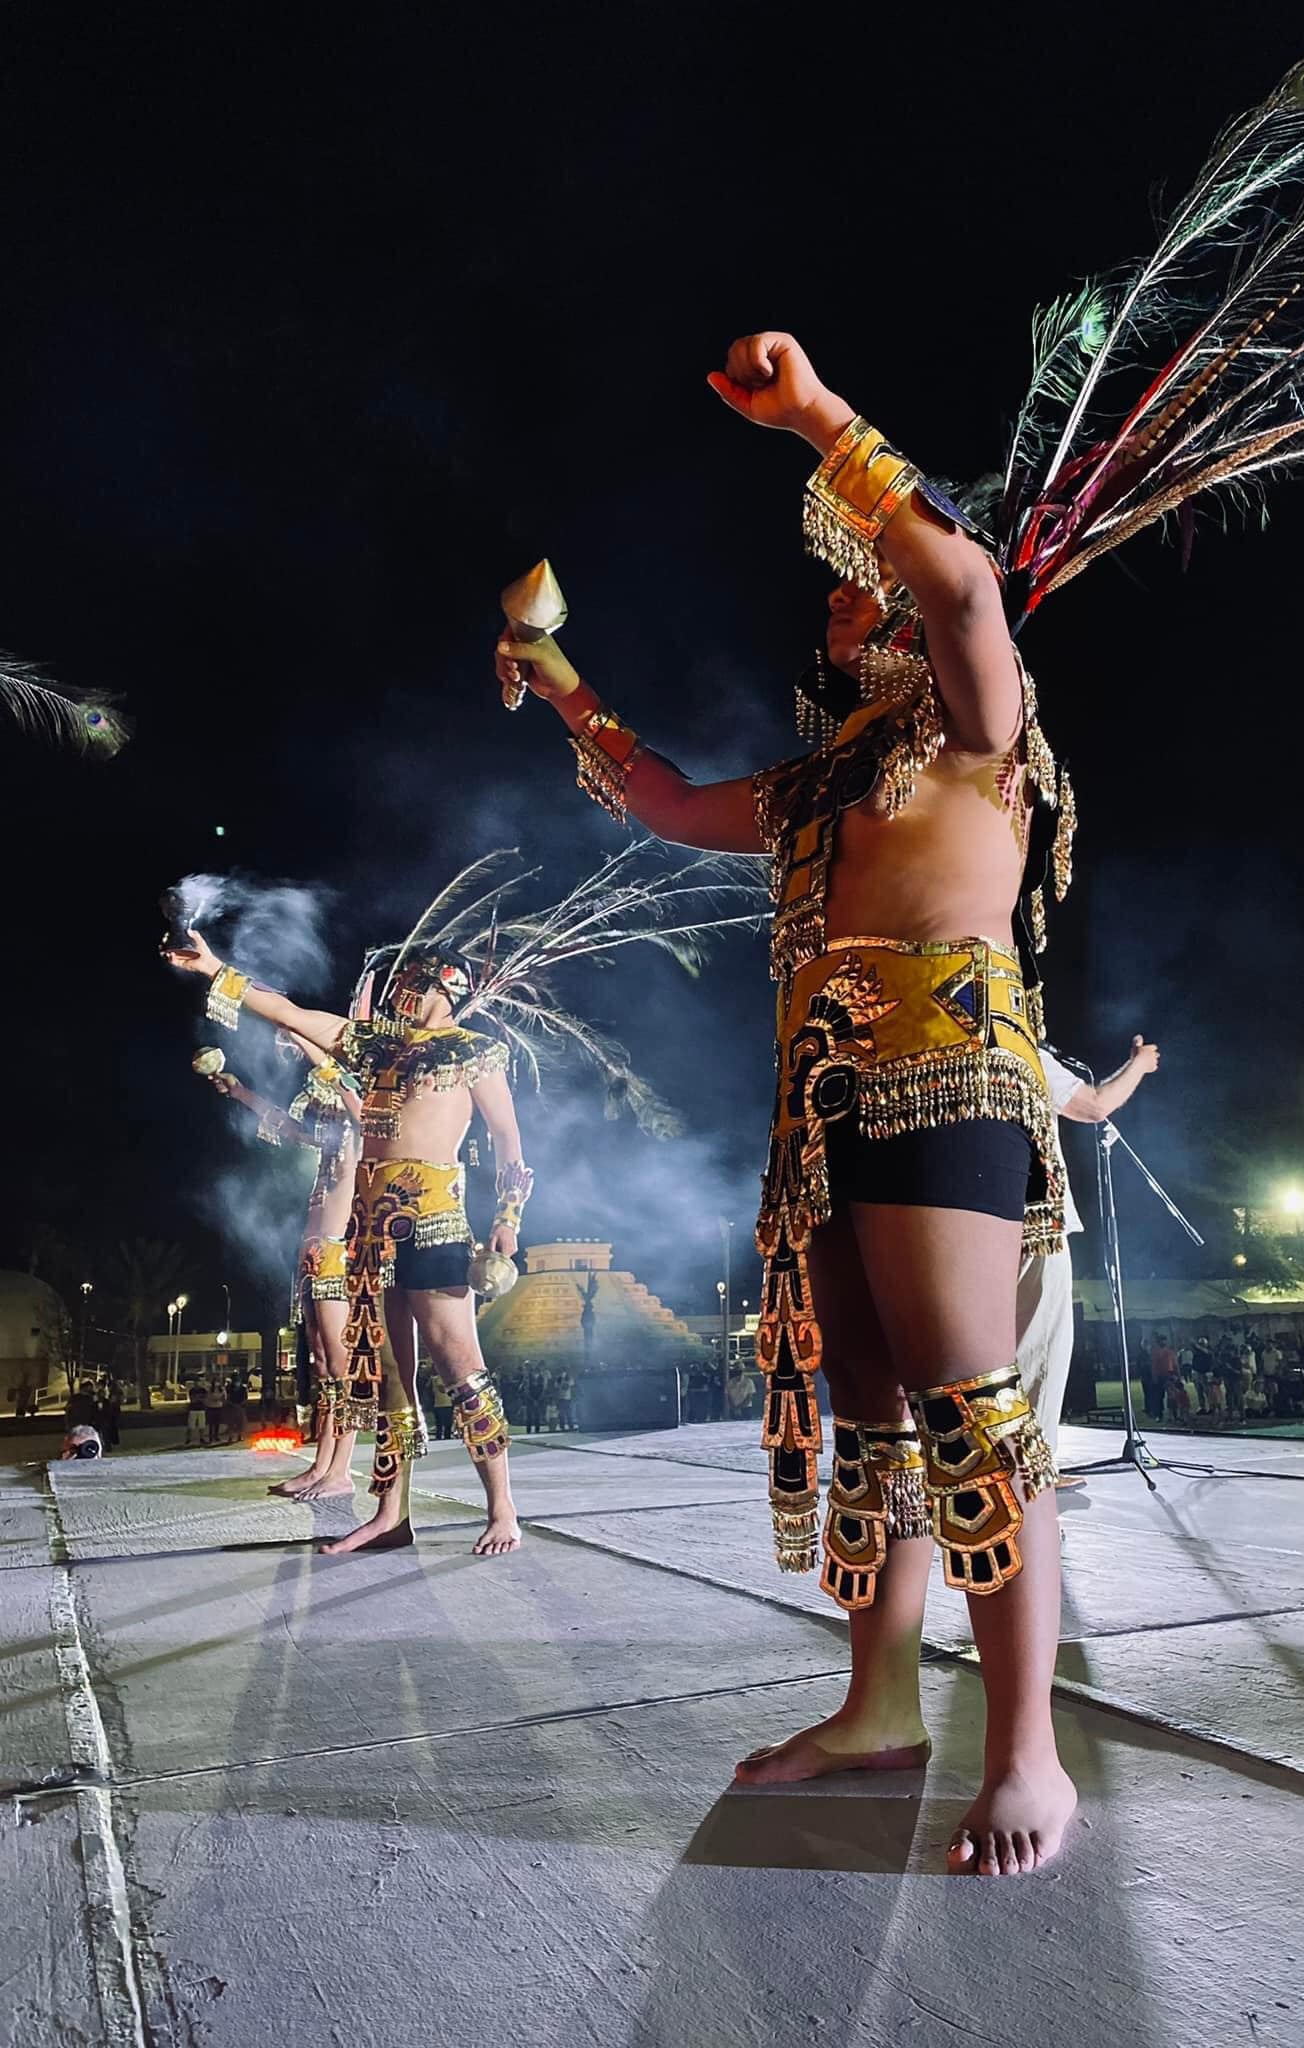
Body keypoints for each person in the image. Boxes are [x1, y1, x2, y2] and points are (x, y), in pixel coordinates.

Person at [501, 329, 1084, 1877]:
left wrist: (820, 416)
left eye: (857, 570)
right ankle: (880, 1705)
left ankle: (1027, 1750)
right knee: (874, 1423)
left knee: (970, 1404)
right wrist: (560, 680)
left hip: (950, 1073)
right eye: (831, 579)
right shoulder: (823, 783)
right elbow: (672, 802)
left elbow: (964, 588)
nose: (837, 590)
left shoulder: (983, 723)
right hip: (823, 1109)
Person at [166, 930, 531, 1558]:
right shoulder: (373, 1046)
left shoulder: (476, 1053)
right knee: (388, 1377)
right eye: (404, 984)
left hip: (435, 1224)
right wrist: (214, 968)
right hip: (366, 1235)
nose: (405, 994)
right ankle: (390, 1516)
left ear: (450, 991)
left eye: (418, 986)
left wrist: (509, 1217)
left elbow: (508, 1140)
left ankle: (503, 1509)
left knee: (461, 1373)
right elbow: (289, 1011)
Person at [196, 1046, 364, 1502]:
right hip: (311, 1255)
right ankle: (322, 1464)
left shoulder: (361, 1133)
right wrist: (241, 1093)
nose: (319, 1110)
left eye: (325, 1098)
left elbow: (355, 1103)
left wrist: (314, 1048)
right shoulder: (329, 1144)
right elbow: (289, 1128)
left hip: (336, 1253)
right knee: (323, 1366)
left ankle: (341, 1469)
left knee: (341, 1367)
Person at [1014, 1038, 1161, 1465]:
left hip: (981, 1216)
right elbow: (1094, 1105)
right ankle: (1032, 1466)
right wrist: (1138, 1065)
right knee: (1040, 1343)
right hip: (1037, 1214)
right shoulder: (1022, 1050)